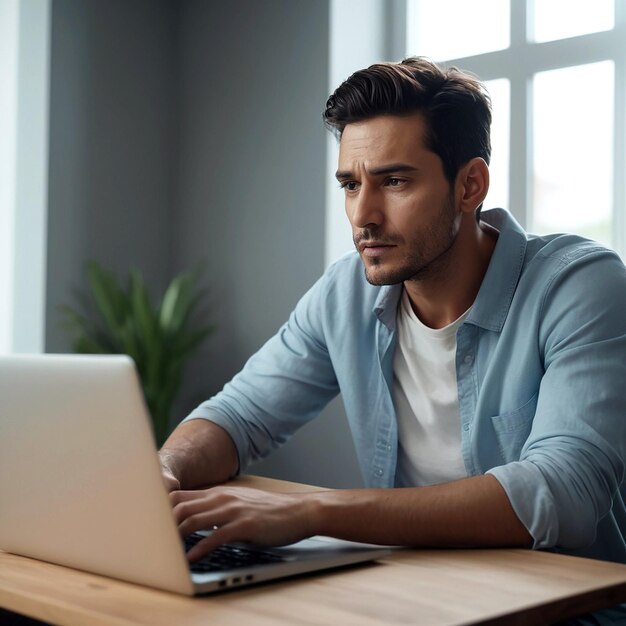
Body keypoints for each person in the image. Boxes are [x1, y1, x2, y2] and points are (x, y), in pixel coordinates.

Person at [160, 58, 626, 586]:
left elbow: (564, 490)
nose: (363, 216)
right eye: (350, 186)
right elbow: (239, 414)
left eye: (394, 181)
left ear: (470, 186)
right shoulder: (346, 294)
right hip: (413, 590)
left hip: (564, 606)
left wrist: (316, 512)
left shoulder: (579, 285)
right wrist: (165, 467)